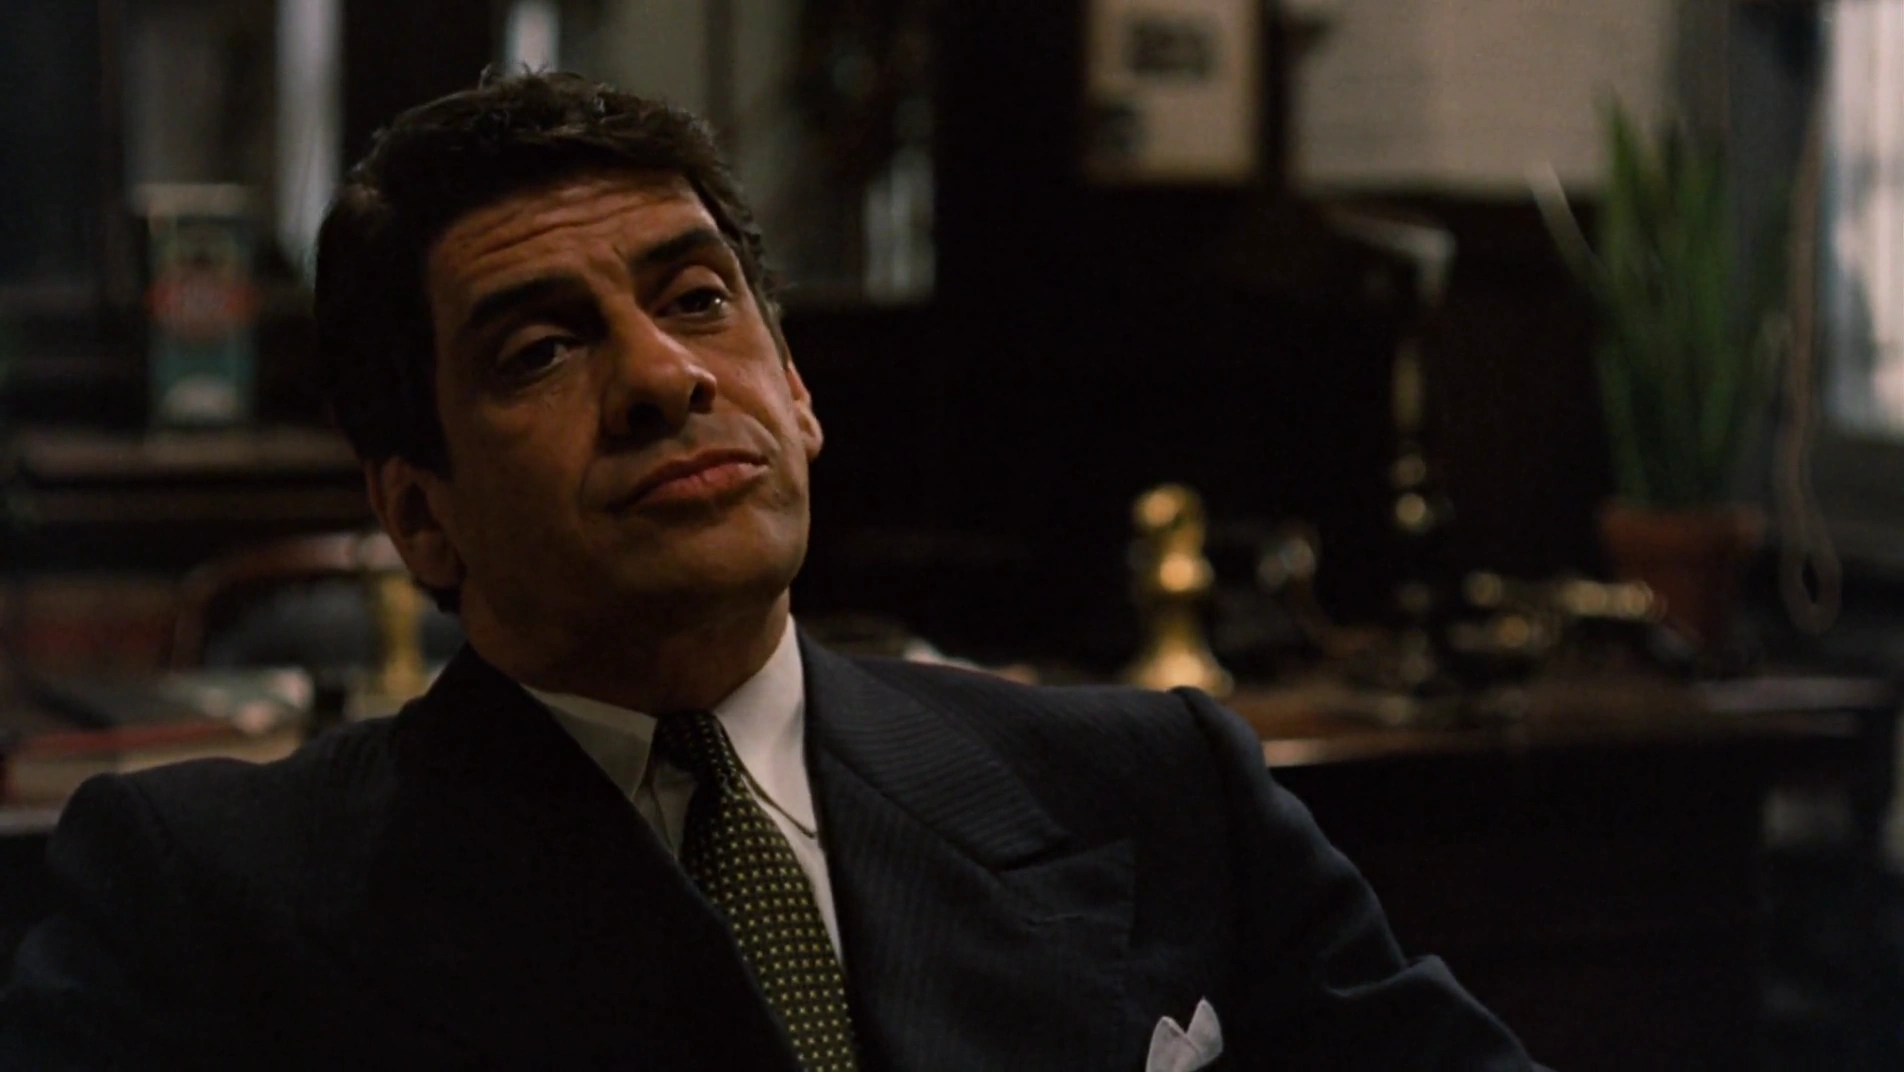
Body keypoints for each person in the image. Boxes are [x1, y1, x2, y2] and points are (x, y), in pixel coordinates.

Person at [0, 71, 1542, 1070]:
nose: (663, 376)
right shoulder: (212, 898)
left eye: (697, 300)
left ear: (796, 392)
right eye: (541, 349)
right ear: (421, 517)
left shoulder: (1155, 785)